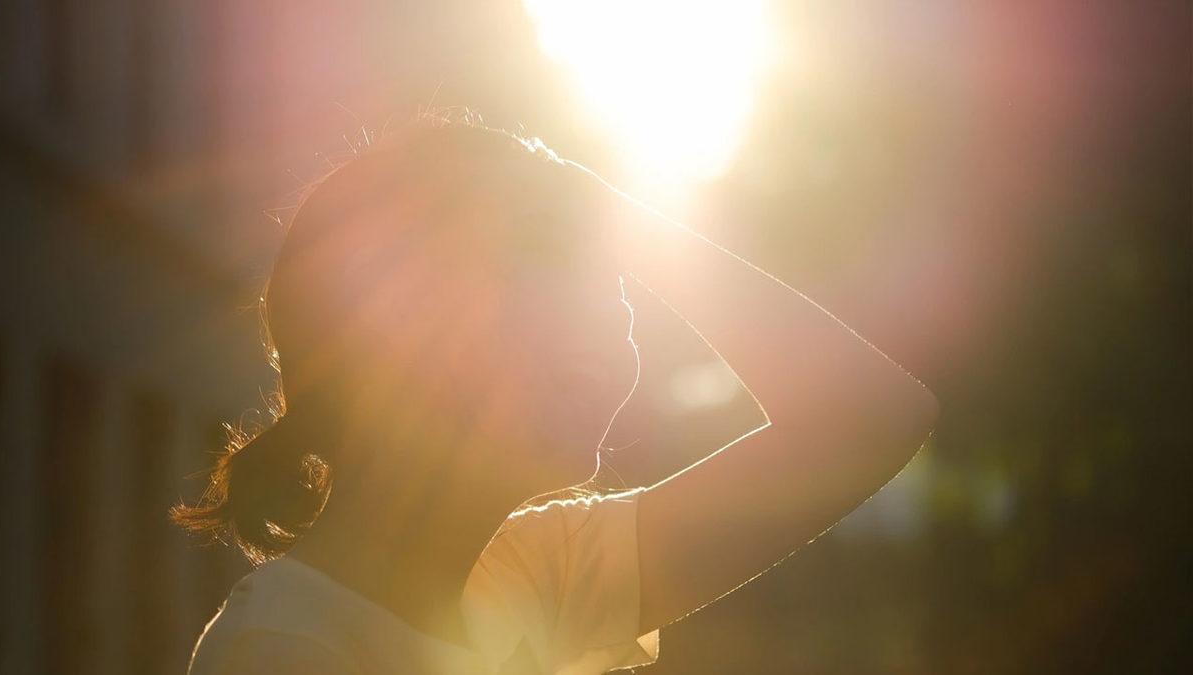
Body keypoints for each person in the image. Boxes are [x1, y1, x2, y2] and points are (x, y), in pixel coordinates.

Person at [174, 118, 939, 675]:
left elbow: (876, 417)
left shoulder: (533, 572)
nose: (616, 336)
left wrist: (607, 205)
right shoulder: (286, 653)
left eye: (616, 290)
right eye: (549, 273)